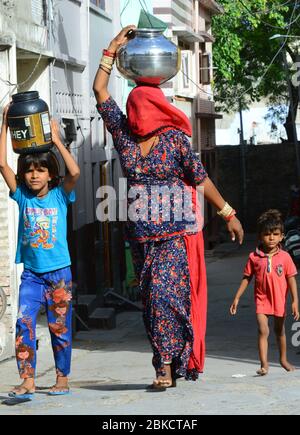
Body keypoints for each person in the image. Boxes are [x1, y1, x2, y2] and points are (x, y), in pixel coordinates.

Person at [93, 26, 244, 389]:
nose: (138, 111)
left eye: (143, 106)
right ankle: (170, 360)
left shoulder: (175, 140)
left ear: (157, 108)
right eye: (135, 105)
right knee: (152, 304)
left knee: (166, 297)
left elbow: (200, 178)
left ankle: (164, 365)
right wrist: (112, 49)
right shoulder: (125, 137)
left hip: (174, 234)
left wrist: (229, 213)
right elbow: (99, 91)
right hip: (141, 237)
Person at [0, 104, 80, 398]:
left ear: (50, 174)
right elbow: (3, 166)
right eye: (30, 171)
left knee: (60, 327)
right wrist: (5, 124)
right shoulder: (21, 195)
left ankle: (62, 378)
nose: (34, 175)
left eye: (40, 170)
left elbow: (75, 171)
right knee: (23, 323)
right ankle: (28, 381)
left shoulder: (61, 195)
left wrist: (56, 139)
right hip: (32, 276)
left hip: (59, 274)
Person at [230, 209, 299, 376]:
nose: (271, 237)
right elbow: (247, 278)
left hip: (279, 301)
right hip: (261, 300)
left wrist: (295, 301)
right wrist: (237, 297)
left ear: (282, 236)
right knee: (263, 330)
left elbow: (291, 279)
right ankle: (264, 365)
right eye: (267, 234)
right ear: (260, 236)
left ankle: (283, 359)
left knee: (279, 331)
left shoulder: (285, 257)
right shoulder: (254, 257)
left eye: (275, 234)